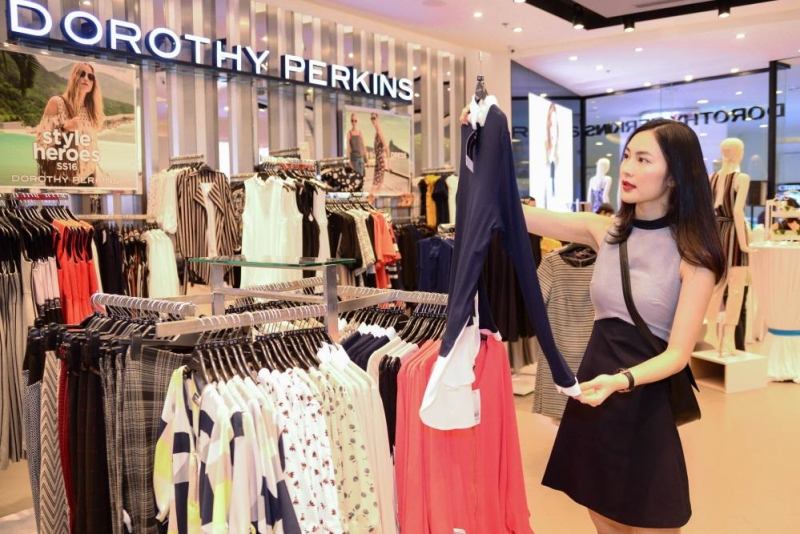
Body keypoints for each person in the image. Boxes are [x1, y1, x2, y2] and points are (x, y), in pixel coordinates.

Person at [524, 119, 725, 533]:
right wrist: (480, 139)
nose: (628, 168)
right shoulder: (604, 230)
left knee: (656, 517)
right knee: (603, 516)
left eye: (644, 159)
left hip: (643, 398)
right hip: (593, 394)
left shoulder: (695, 255)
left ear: (675, 175)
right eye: (628, 156)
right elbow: (513, 212)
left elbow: (678, 354)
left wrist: (620, 382)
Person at [35, 62, 105, 186]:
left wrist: (94, 179)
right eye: (81, 74)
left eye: (90, 76)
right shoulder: (57, 103)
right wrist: (64, 128)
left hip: (88, 177)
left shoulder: (92, 111)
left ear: (93, 84)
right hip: (63, 177)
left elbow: (91, 148)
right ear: (73, 77)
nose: (86, 78)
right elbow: (41, 143)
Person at [370, 112, 390, 198]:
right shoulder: (376, 132)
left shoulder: (379, 131)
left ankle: (372, 200)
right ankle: (373, 200)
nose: (373, 120)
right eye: (371, 118)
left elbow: (386, 148)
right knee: (376, 184)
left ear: (377, 119)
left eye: (374, 118)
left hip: (381, 162)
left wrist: (388, 164)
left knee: (377, 184)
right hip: (377, 162)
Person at [347, 113, 366, 177]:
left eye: (355, 120)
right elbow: (348, 148)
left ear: (357, 121)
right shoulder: (349, 133)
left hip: (361, 158)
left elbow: (363, 146)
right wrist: (349, 161)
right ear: (351, 121)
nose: (354, 122)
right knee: (356, 178)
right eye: (352, 120)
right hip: (354, 160)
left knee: (362, 177)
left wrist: (367, 159)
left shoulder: (360, 132)